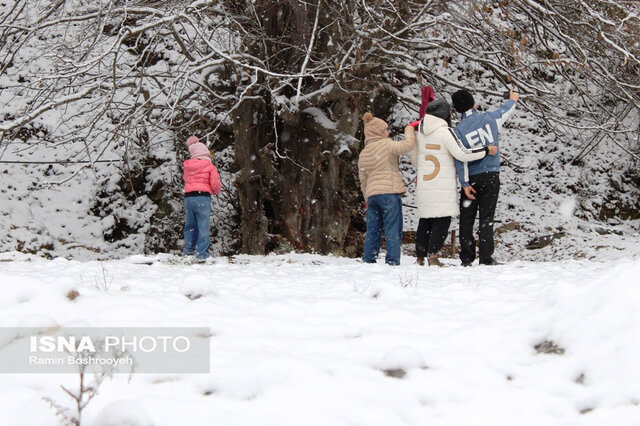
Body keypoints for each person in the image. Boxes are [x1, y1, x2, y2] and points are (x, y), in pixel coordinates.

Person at [411, 100, 498, 266]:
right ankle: (433, 256)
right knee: (442, 220)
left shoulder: (419, 134)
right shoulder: (446, 132)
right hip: (442, 183)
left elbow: (414, 160)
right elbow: (462, 153)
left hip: (425, 183)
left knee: (426, 219)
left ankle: (420, 256)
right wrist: (486, 150)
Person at [452, 89, 519, 266]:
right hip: (491, 175)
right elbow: (505, 111)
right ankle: (486, 256)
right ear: (473, 103)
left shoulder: (458, 131)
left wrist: (464, 183)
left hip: (472, 177)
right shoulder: (489, 119)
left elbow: (460, 159)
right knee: (486, 217)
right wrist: (512, 99)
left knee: (467, 218)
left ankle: (467, 257)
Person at [358, 112, 416, 265]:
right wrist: (409, 129)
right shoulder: (387, 144)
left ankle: (369, 259)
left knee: (373, 230)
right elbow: (407, 146)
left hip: (372, 196)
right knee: (392, 228)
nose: (388, 133)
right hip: (389, 193)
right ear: (377, 132)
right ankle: (392, 261)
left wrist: (366, 199)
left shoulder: (363, 153)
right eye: (385, 130)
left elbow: (363, 180)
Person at [182, 135, 222, 261]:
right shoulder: (209, 166)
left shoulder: (188, 165)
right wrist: (215, 191)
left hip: (189, 197)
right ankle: (202, 253)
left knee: (190, 225)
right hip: (202, 197)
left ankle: (188, 251)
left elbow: (185, 179)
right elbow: (215, 183)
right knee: (203, 225)